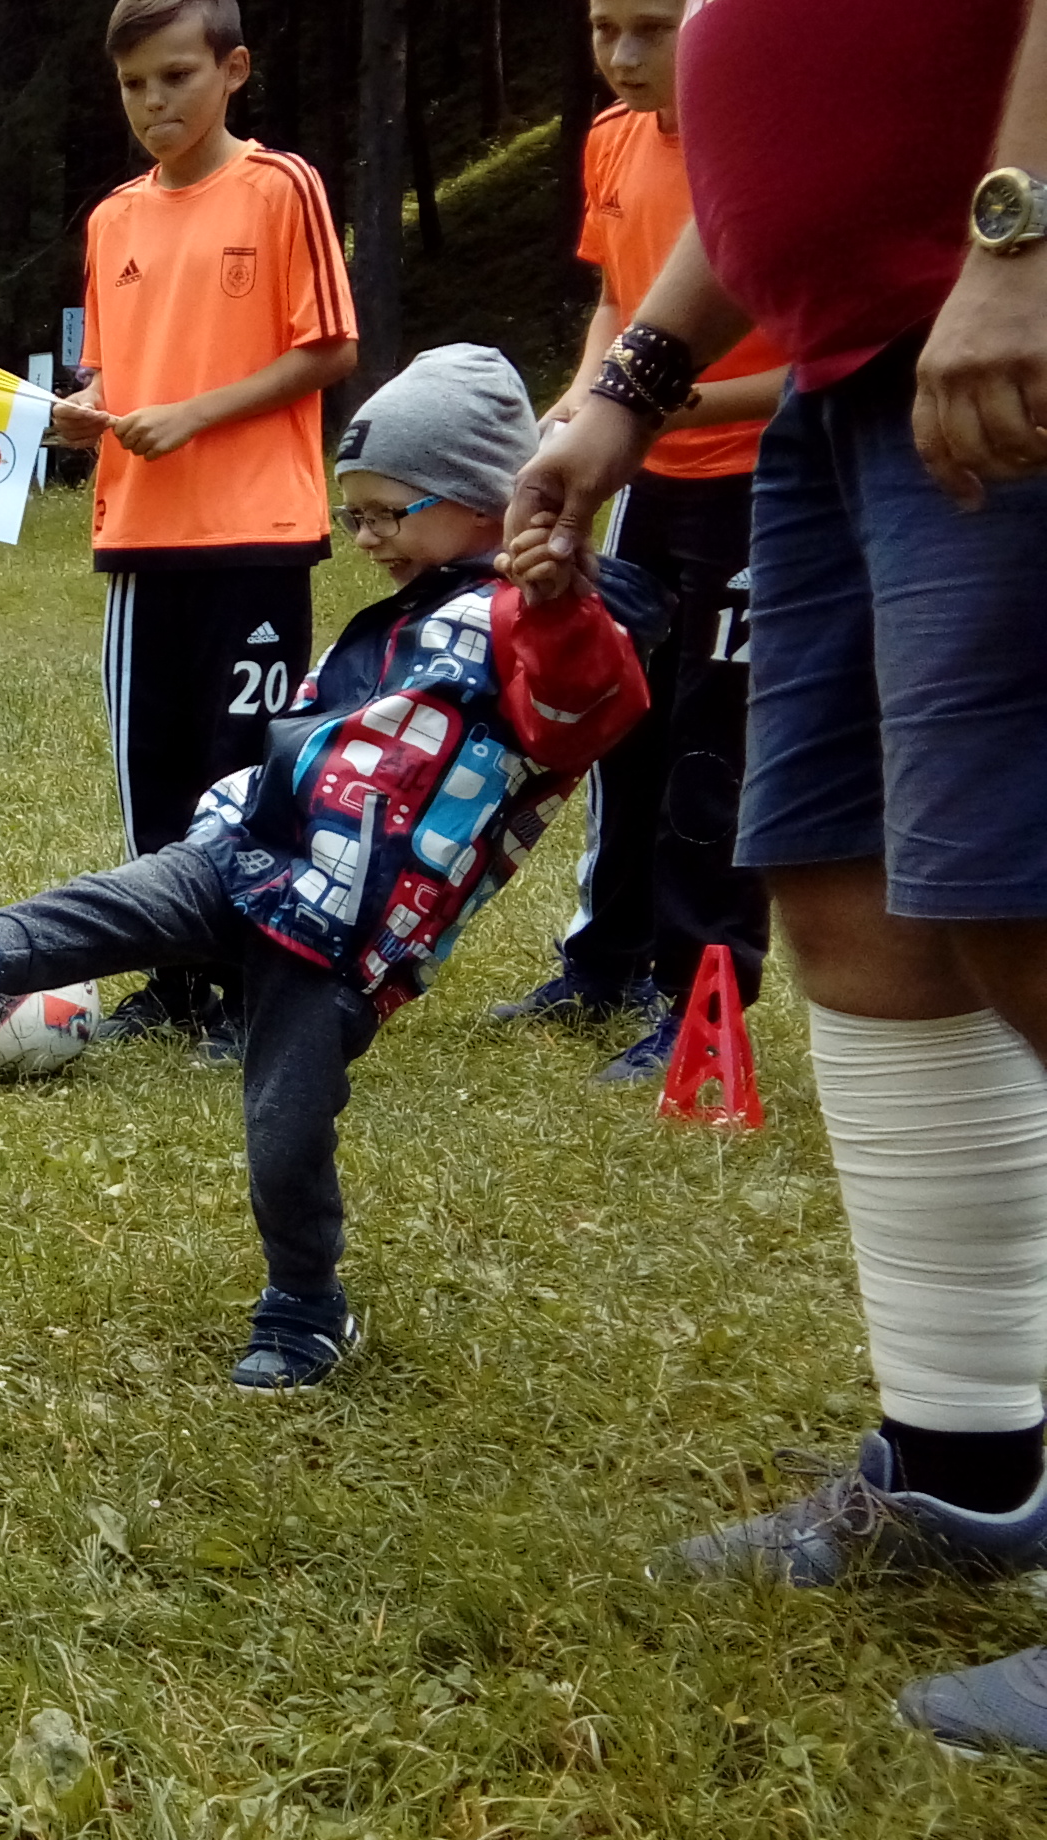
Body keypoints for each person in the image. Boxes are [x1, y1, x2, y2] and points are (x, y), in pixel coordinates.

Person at [504, 0, 1047, 1753]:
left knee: (1020, 902)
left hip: (994, 331)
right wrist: (628, 390)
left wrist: (1019, 239)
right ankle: (964, 1470)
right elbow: (780, 128)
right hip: (836, 379)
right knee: (852, 905)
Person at [0, 346, 655, 1391]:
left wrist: (555, 605)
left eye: (388, 513)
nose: (364, 538)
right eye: (354, 514)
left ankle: (306, 1303)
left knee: (285, 1125)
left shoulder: (536, 618)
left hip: (346, 924)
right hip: (251, 847)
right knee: (123, 900)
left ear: (485, 501)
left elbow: (590, 710)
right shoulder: (407, 612)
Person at [48, 0, 359, 1059]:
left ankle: (250, 983)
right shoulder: (111, 221)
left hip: (257, 535)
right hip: (142, 539)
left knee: (247, 772)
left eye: (175, 76)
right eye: (133, 85)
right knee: (157, 773)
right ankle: (176, 983)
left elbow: (329, 348)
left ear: (234, 70)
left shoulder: (281, 188)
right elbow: (110, 370)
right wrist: (85, 408)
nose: (154, 102)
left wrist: (194, 414)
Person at [487, 0, 781, 1082]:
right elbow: (621, 304)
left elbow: (818, 357)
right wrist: (586, 398)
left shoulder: (771, 129)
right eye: (603, 27)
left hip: (761, 486)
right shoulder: (613, 138)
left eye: (652, 28)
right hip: (646, 486)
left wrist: (657, 405)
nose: (621, 56)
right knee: (622, 722)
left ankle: (705, 1005)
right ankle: (603, 964)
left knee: (714, 752)